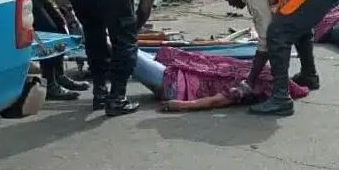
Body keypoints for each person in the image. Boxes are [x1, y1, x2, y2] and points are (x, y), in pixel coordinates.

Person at [217, 0, 339, 116]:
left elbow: (266, 39)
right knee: (296, 27)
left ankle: (281, 98)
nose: (230, 4)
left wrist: (249, 81)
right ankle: (309, 76)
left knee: (278, 34)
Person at [65, 0, 168, 116]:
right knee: (124, 43)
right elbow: (144, 9)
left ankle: (100, 94)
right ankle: (117, 99)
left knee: (93, 36)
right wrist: (130, 36)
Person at [131, 48, 310, 112]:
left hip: (176, 84)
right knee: (124, 46)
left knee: (123, 51)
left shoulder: (265, 82)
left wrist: (183, 106)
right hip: (178, 70)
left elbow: (222, 99)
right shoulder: (263, 70)